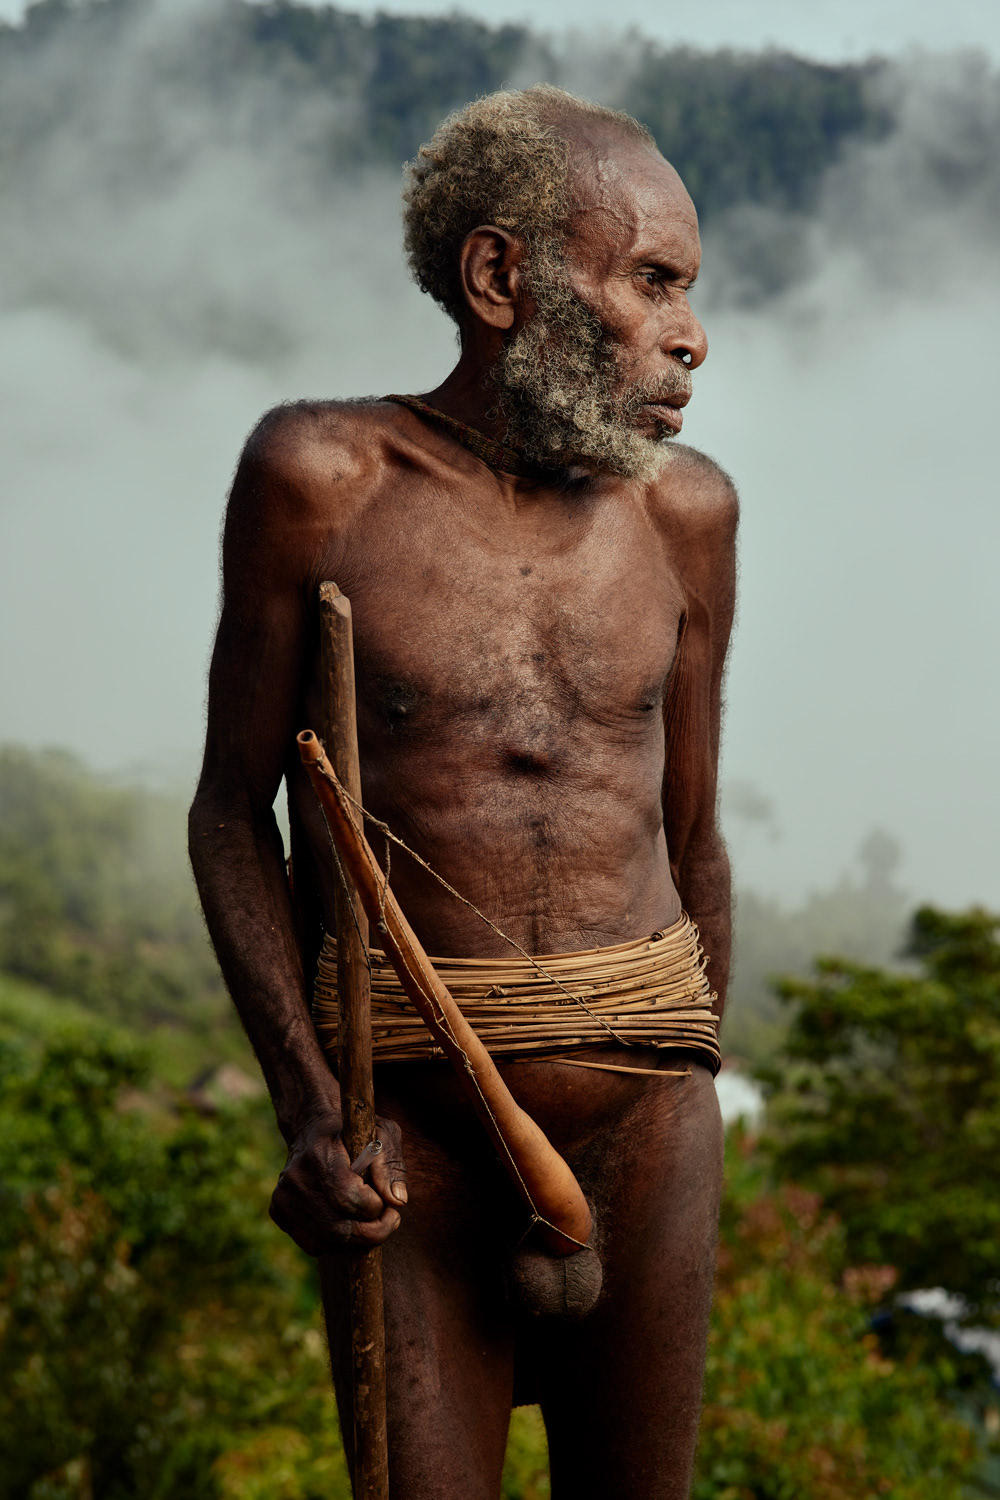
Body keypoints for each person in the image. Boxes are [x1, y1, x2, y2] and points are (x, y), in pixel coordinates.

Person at [190, 84, 737, 1500]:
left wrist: (687, 1077)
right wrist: (312, 1111)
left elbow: (693, 834)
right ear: (501, 278)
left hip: (648, 1126)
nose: (691, 334)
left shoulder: (686, 513)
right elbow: (232, 812)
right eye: (652, 281)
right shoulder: (323, 483)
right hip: (411, 1137)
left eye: (690, 290)